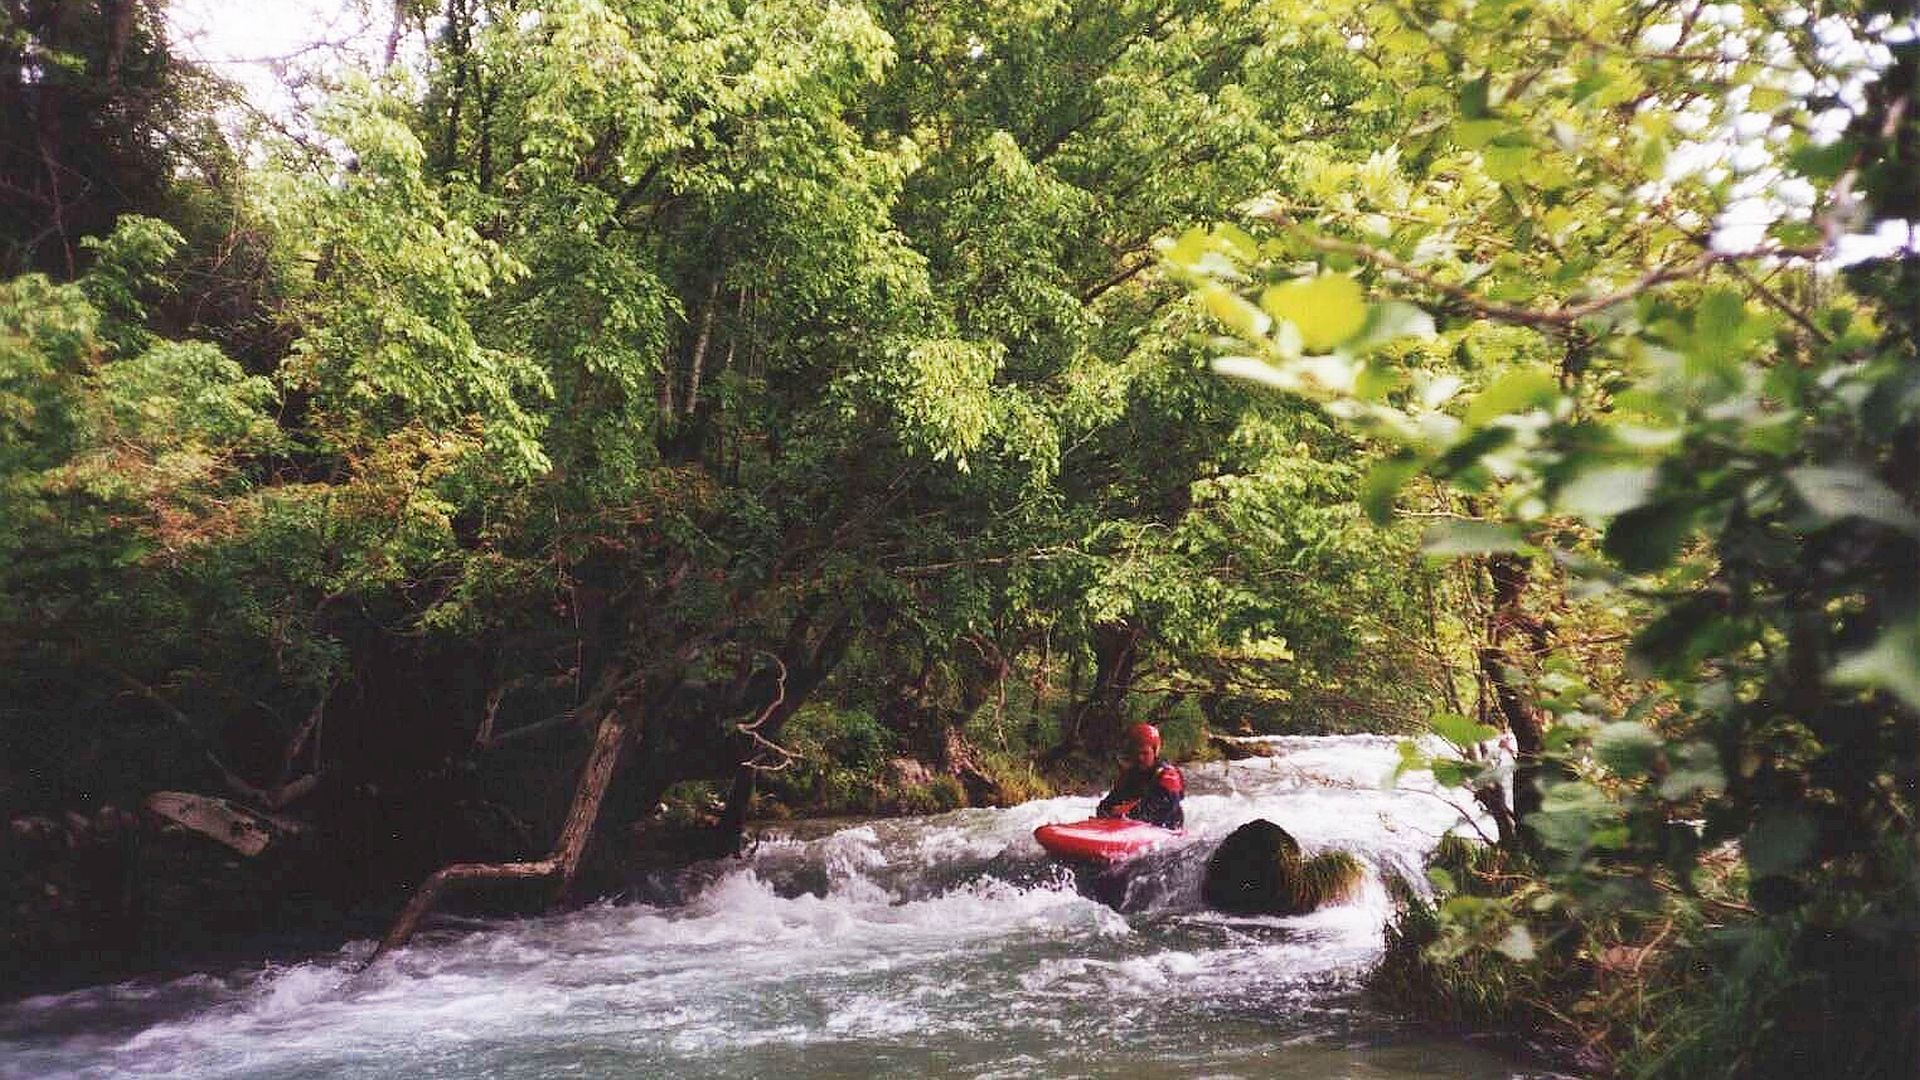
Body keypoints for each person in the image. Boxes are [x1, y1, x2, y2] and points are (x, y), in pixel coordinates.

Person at [1096, 722, 1184, 829]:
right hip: (1133, 825)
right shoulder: (1129, 775)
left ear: (1155, 751)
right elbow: (1107, 804)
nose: (1140, 758)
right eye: (1136, 753)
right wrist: (1106, 812)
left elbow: (1161, 812)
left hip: (1166, 829)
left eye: (1145, 753)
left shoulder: (1169, 776)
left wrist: (1125, 813)